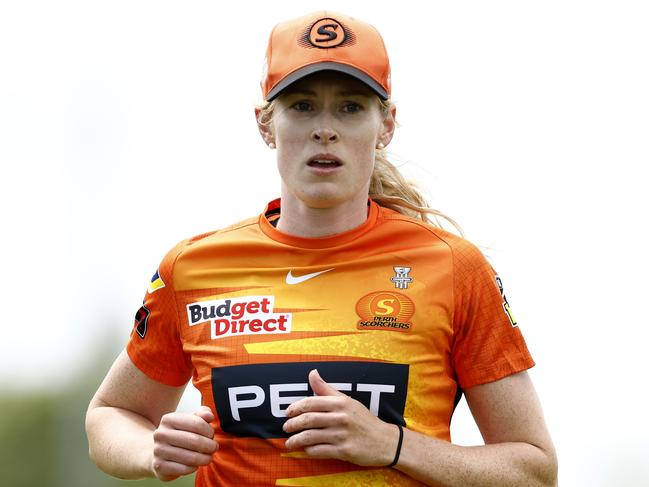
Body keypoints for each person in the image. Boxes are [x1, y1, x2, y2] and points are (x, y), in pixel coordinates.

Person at [85, 10, 557, 486]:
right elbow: (111, 413)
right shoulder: (192, 268)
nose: (324, 129)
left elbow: (534, 471)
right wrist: (150, 449)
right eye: (302, 106)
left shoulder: (453, 267)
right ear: (265, 125)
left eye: (350, 107)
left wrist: (393, 445)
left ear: (387, 124)